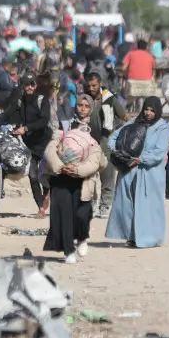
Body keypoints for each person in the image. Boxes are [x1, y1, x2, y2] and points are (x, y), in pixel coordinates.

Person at [44, 97, 107, 264]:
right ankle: (68, 250)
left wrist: (78, 170)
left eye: (87, 106)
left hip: (84, 179)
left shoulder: (95, 128)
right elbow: (51, 147)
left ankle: (81, 238)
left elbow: (96, 157)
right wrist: (59, 166)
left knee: (81, 214)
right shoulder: (64, 125)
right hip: (62, 176)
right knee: (64, 214)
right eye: (80, 105)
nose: (83, 109)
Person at [107, 97, 169, 249]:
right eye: (146, 109)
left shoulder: (162, 127)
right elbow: (114, 136)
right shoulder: (134, 121)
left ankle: (151, 238)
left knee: (149, 206)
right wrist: (116, 151)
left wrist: (141, 159)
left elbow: (159, 151)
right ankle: (131, 237)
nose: (148, 113)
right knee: (130, 204)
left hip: (150, 173)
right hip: (130, 171)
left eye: (152, 110)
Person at [6, 74, 53, 216]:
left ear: (36, 85)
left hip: (45, 143)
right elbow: (7, 114)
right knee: (32, 176)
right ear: (22, 86)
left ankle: (47, 192)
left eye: (32, 84)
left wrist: (26, 128)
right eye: (26, 84)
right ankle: (40, 208)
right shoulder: (19, 102)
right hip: (29, 146)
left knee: (46, 175)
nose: (29, 87)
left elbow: (44, 121)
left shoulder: (42, 100)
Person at [85, 71, 127, 219]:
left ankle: (105, 205)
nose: (91, 89)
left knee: (107, 178)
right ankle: (91, 204)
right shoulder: (85, 99)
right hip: (89, 145)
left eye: (94, 85)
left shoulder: (109, 99)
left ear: (100, 84)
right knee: (88, 177)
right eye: (89, 85)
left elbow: (124, 115)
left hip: (106, 144)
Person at [121, 39, 156, 110]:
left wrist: (125, 75)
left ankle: (128, 110)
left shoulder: (130, 54)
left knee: (129, 99)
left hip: (133, 83)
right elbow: (153, 69)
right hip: (146, 84)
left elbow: (124, 68)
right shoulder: (150, 56)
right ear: (146, 47)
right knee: (147, 100)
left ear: (137, 46)